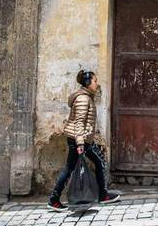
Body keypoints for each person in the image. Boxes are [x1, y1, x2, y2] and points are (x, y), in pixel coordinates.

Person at [47, 70, 120, 211]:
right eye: (95, 81)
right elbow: (79, 122)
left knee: (98, 162)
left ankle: (103, 195)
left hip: (83, 139)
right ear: (88, 83)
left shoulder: (86, 97)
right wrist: (80, 143)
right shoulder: (83, 99)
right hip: (79, 140)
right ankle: (54, 200)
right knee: (70, 169)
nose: (97, 84)